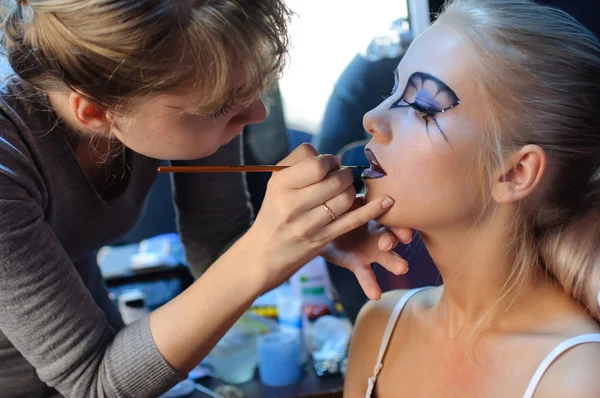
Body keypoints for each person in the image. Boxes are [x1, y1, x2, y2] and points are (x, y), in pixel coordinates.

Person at [0, 1, 415, 397]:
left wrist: (307, 236)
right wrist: (265, 248)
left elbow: (218, 249)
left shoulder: (192, 71)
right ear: (95, 112)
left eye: (252, 86)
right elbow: (93, 382)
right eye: (221, 107)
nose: (256, 114)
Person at [345, 0, 600, 397]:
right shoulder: (380, 326)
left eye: (422, 107)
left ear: (515, 173)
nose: (373, 118)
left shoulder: (578, 377)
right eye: (392, 89)